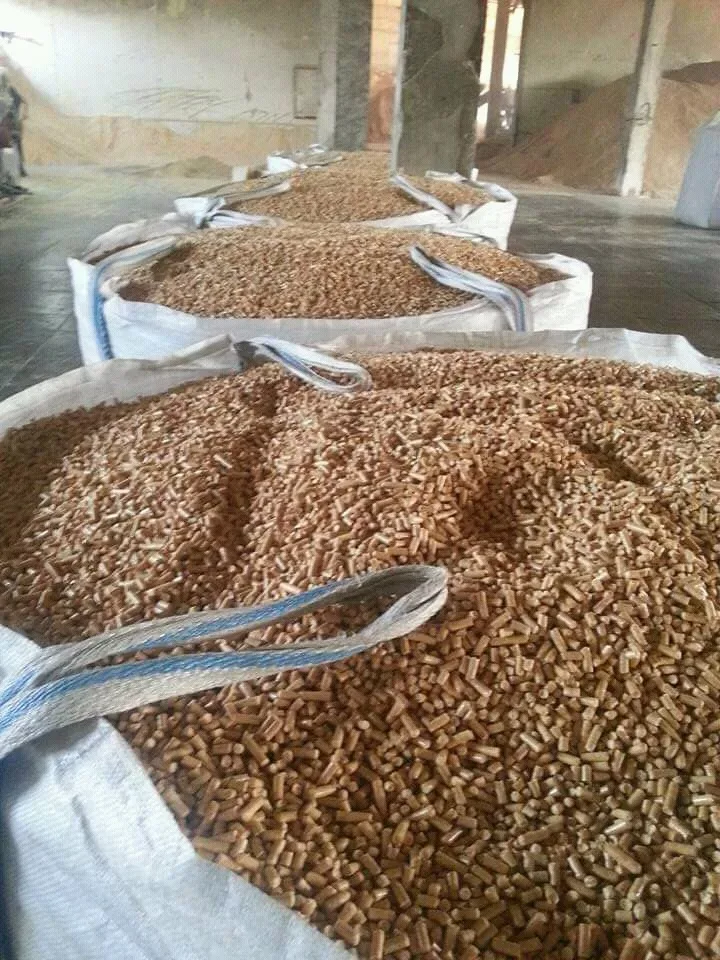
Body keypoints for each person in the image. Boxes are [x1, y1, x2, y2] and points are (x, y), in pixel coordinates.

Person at [0, 68, 27, 176]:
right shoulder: (9, 92)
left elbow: (23, 102)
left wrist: (22, 116)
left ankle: (20, 168)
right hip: (8, 125)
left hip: (10, 124)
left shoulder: (11, 91)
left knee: (16, 144)